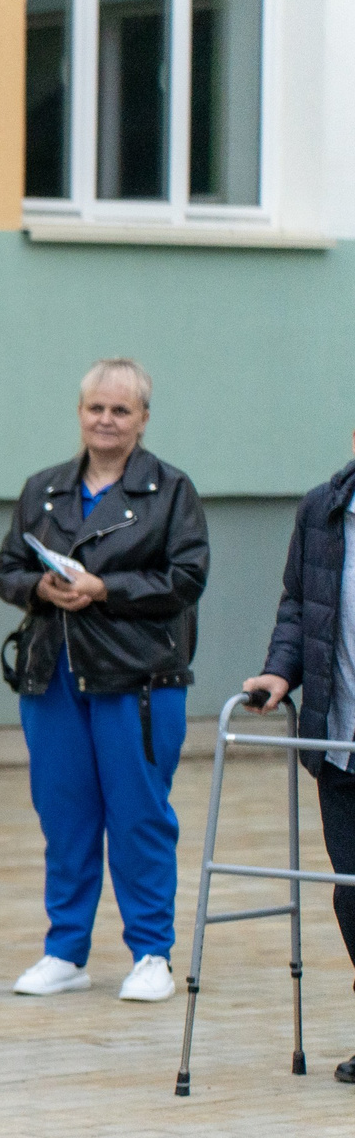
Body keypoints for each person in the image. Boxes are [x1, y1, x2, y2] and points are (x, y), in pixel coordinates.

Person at [0, 358, 208, 1003]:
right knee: (65, 815)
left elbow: (186, 579)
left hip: (138, 679)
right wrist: (40, 585)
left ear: (143, 419)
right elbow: (4, 568)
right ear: (80, 413)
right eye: (96, 408)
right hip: (52, 674)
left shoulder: (171, 491)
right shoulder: (45, 488)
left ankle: (151, 953)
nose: (106, 421)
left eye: (121, 410)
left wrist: (103, 587)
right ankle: (65, 951)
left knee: (140, 815)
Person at [238, 432, 355, 1078]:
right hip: (341, 738)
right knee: (352, 892)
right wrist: (279, 672)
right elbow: (299, 606)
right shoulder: (322, 510)